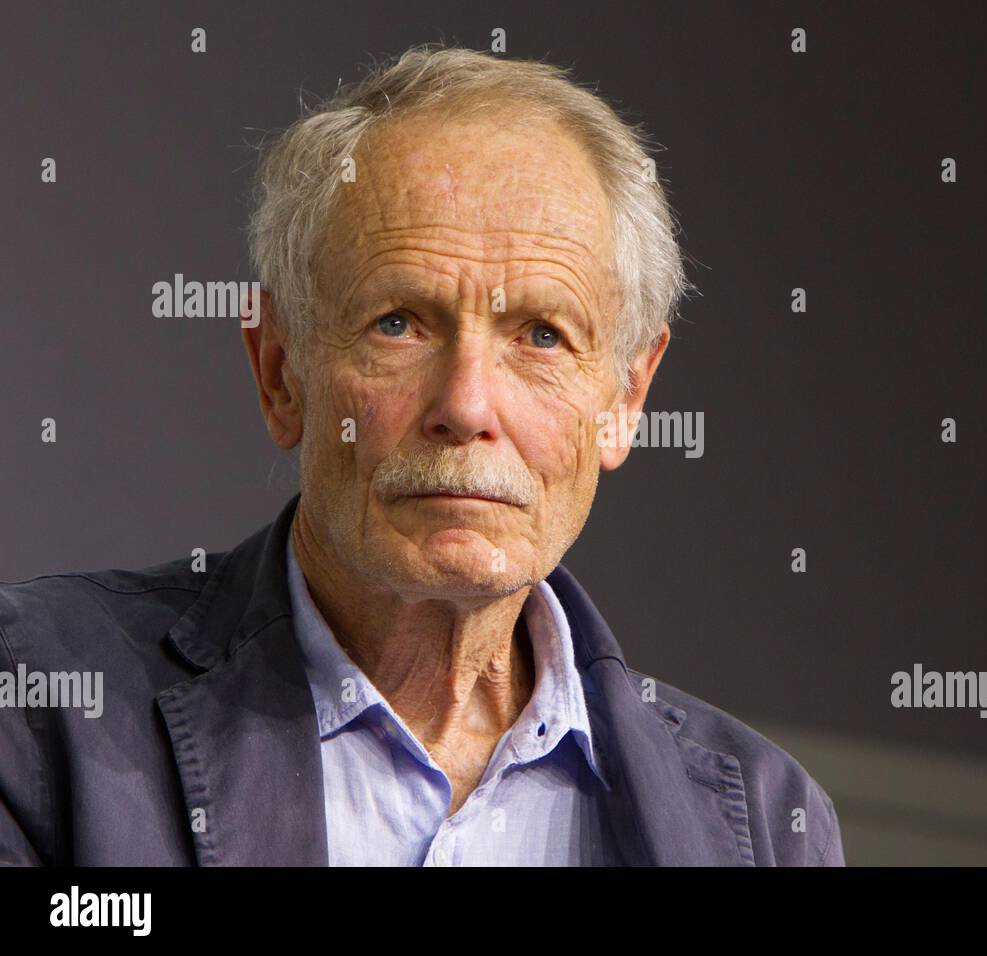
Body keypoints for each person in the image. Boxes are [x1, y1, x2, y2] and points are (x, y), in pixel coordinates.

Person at [0, 44, 843, 866]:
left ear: (625, 400)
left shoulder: (767, 827)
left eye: (542, 336)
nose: (467, 406)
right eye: (397, 323)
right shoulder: (40, 707)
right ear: (281, 373)